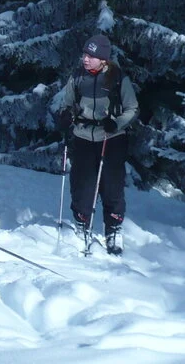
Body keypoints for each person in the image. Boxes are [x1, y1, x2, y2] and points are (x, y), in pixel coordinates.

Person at [54, 34, 139, 255]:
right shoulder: (77, 77)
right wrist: (66, 115)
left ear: (103, 58)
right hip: (83, 136)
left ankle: (113, 228)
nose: (85, 59)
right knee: (82, 186)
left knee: (112, 187)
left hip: (110, 138)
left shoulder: (117, 78)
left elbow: (132, 109)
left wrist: (117, 123)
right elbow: (68, 103)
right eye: (85, 54)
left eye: (91, 56)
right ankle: (82, 225)